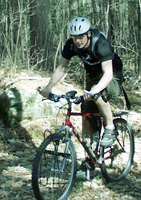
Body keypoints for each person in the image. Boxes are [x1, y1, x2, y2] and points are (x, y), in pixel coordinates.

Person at [41, 17, 121, 155]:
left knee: (97, 95)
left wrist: (94, 91)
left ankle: (110, 127)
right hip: (92, 75)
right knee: (86, 112)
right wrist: (49, 87)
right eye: (74, 37)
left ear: (88, 34)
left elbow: (108, 74)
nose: (78, 40)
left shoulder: (100, 43)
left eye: (81, 36)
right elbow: (61, 68)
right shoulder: (70, 45)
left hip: (112, 73)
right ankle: (89, 158)